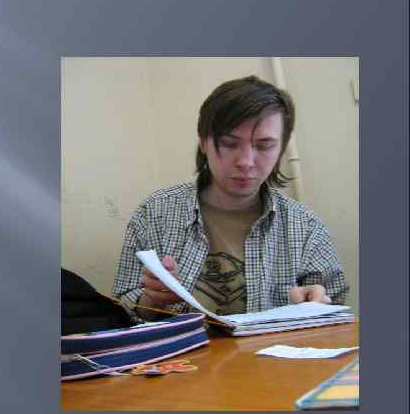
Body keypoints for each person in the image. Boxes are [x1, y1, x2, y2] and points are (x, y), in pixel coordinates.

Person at [112, 75, 348, 322]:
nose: (246, 162)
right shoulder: (154, 213)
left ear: (281, 148)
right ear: (203, 142)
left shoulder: (306, 226)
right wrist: (153, 301)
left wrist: (316, 305)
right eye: (229, 143)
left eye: (264, 145)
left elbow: (335, 311)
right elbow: (122, 309)